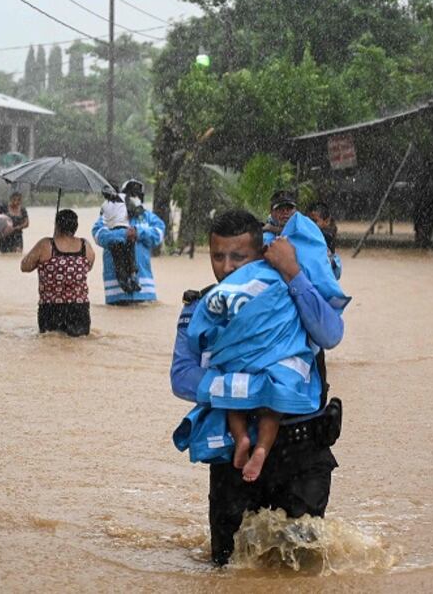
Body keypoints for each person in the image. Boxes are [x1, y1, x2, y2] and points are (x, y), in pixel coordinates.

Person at [171, 209, 347, 566]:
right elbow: (182, 376)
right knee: (228, 566)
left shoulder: (291, 293)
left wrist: (294, 273)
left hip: (301, 451)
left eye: (238, 257)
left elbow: (330, 334)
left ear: (260, 254)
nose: (227, 268)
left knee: (304, 567)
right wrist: (253, 388)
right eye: (218, 257)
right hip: (233, 456)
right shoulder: (205, 307)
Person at [20, 209, 95, 337]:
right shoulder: (85, 246)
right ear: (75, 226)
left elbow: (25, 266)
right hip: (80, 309)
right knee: (79, 344)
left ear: (57, 225)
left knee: (51, 343)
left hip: (51, 309)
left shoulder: (45, 245)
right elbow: (88, 267)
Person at [92, 179, 166, 304]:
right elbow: (98, 234)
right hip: (116, 292)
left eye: (137, 195)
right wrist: (123, 234)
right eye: (131, 194)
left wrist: (138, 232)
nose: (134, 198)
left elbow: (159, 234)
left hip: (145, 291)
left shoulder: (147, 217)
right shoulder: (109, 216)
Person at [100, 188, 141, 293]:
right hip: (127, 232)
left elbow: (102, 220)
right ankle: (133, 278)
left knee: (118, 261)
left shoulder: (104, 205)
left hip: (113, 235)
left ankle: (124, 283)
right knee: (130, 256)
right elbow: (135, 211)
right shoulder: (124, 197)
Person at [307, 201, 342, 279]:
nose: (310, 224)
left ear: (326, 221)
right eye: (308, 221)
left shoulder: (325, 237)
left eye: (314, 221)